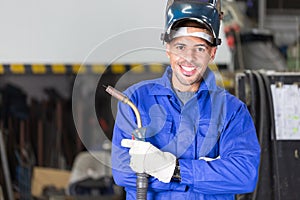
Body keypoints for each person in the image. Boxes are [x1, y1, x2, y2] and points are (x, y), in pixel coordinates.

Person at [111, 0, 261, 199]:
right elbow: (124, 173)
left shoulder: (232, 110)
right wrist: (208, 174)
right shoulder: (135, 101)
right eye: (180, 47)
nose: (189, 57)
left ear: (212, 53)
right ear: (168, 48)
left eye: (199, 48)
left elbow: (244, 176)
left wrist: (172, 169)